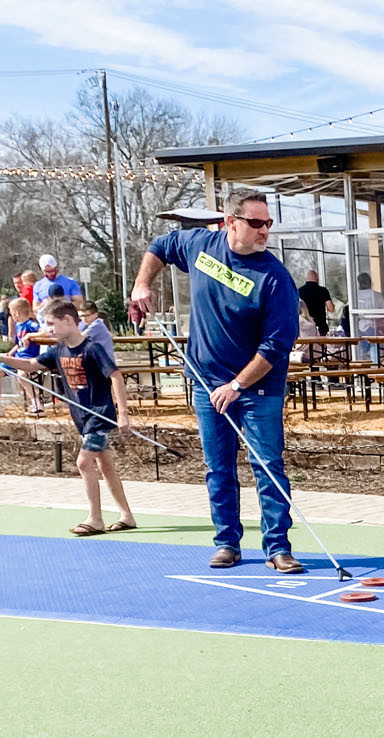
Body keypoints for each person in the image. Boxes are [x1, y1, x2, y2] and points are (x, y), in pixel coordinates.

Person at [130, 189, 304, 572]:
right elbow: (160, 245)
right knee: (218, 466)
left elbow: (277, 345)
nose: (264, 232)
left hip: (257, 389)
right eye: (256, 223)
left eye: (268, 224)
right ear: (230, 223)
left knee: (268, 466)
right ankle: (227, 542)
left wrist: (237, 385)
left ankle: (278, 547)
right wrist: (143, 284)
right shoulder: (199, 245)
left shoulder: (274, 278)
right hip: (207, 383)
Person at [0, 298, 136, 537]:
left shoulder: (92, 348)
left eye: (51, 324)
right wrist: (1, 359)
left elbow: (116, 377)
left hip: (99, 416)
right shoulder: (58, 350)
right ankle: (126, 516)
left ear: (68, 321)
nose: (48, 330)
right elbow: (30, 364)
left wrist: (123, 414)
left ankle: (95, 519)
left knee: (83, 463)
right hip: (83, 419)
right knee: (105, 465)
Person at [0, 296, 43, 416]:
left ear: (16, 313)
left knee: (22, 375)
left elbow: (42, 331)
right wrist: (10, 353)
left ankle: (36, 404)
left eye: (11, 312)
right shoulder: (18, 326)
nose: (10, 315)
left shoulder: (30, 325)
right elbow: (18, 344)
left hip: (28, 358)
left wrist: (31, 336)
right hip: (17, 356)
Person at [296, 268, 334, 335]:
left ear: (306, 278)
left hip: (304, 326)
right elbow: (331, 308)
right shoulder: (323, 291)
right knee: (321, 345)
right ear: (317, 278)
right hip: (320, 326)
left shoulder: (299, 291)